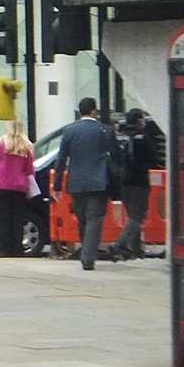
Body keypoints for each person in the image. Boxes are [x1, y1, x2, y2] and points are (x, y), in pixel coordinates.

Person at [53, 97, 120, 270]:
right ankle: (88, 257)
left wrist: (57, 185)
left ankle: (86, 251)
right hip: (98, 181)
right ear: (93, 111)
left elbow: (61, 159)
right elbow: (117, 156)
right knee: (95, 219)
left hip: (76, 182)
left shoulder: (69, 131)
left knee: (82, 218)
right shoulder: (105, 130)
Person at [108, 108, 161, 260]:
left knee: (132, 216)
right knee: (137, 217)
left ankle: (136, 250)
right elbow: (153, 158)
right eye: (143, 119)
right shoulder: (142, 138)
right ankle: (119, 244)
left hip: (123, 182)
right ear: (138, 121)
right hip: (139, 182)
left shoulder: (119, 137)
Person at [0, 119, 35, 257]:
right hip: (19, 186)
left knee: (4, 218)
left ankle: (4, 249)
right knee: (17, 219)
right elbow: (29, 169)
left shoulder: (0, 143)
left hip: (1, 185)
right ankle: (17, 249)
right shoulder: (27, 146)